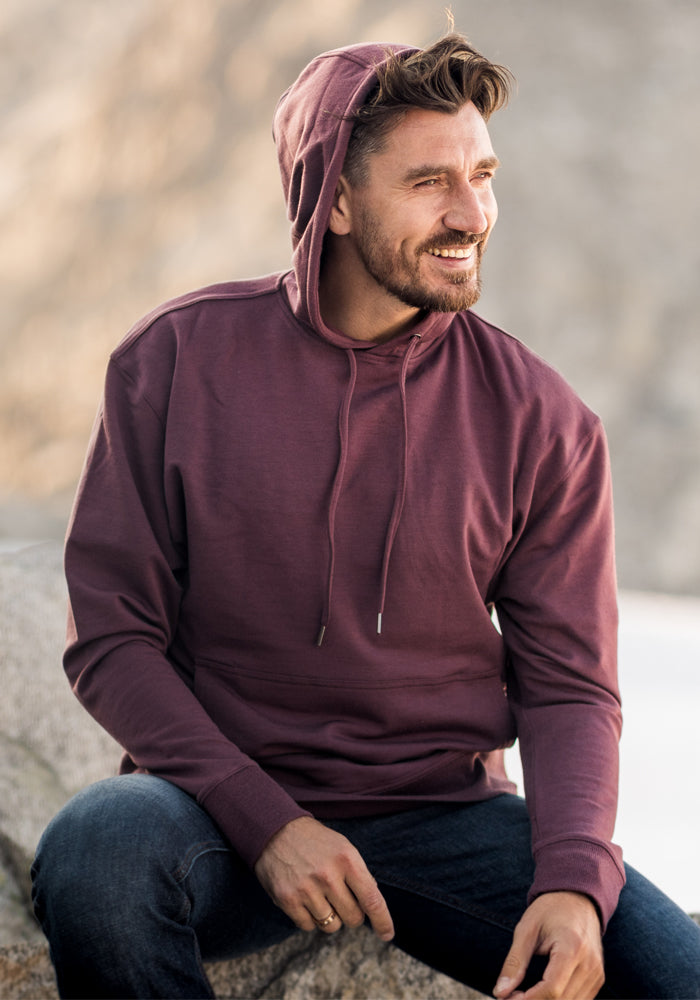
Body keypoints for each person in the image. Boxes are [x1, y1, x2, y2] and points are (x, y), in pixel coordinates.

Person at [31, 32, 699, 1000]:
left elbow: (569, 688)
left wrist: (570, 878)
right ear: (333, 198)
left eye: (482, 174)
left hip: (447, 818)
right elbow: (112, 640)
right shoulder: (177, 360)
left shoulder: (538, 416)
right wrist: (265, 820)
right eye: (429, 181)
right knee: (98, 851)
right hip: (213, 815)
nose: (471, 213)